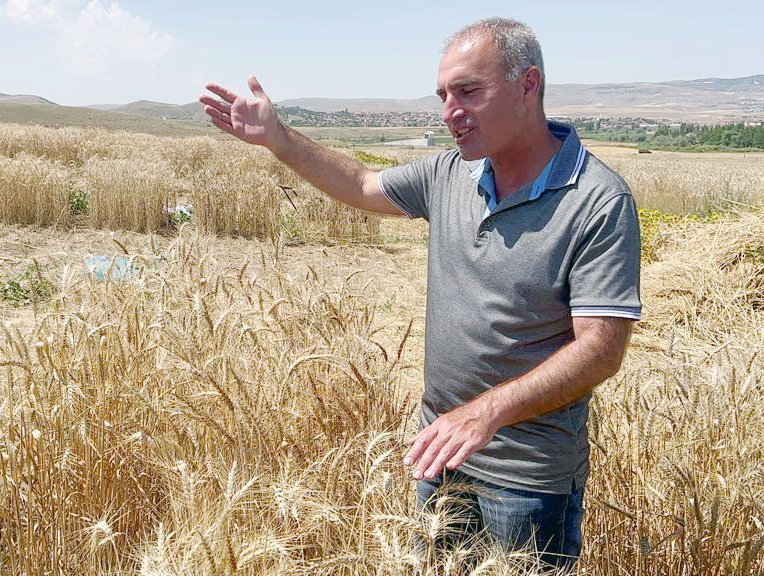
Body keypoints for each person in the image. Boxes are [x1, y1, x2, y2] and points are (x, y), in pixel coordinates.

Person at [200, 17, 641, 571]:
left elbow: (601, 348)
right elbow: (362, 183)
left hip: (527, 478)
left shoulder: (598, 202)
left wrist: (485, 414)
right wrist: (280, 139)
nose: (449, 112)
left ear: (529, 85)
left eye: (468, 92)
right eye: (442, 95)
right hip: (438, 453)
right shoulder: (451, 172)